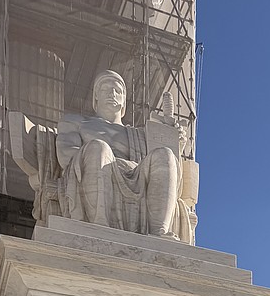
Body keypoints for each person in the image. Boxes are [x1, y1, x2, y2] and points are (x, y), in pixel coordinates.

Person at [53, 70, 193, 241]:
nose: (112, 93)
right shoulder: (76, 122)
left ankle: (159, 232)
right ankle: (99, 224)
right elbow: (66, 156)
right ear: (95, 96)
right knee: (99, 147)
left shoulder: (140, 134)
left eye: (117, 90)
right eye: (105, 89)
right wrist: (102, 160)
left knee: (165, 154)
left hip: (137, 176)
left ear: (123, 100)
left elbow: (167, 170)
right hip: (95, 169)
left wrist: (176, 141)